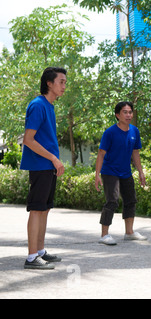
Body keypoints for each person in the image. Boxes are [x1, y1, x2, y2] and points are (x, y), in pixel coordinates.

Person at [20, 67, 67, 269]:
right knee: (37, 210)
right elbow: (28, 140)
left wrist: (53, 161)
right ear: (49, 83)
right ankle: (31, 258)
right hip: (40, 165)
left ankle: (39, 251)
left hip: (48, 165)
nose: (64, 86)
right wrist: (54, 159)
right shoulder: (38, 105)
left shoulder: (49, 106)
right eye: (61, 81)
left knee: (45, 209)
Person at [95, 101, 147, 245]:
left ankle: (129, 232)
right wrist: (97, 175)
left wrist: (141, 172)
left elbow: (135, 152)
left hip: (126, 172)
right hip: (110, 171)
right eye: (125, 112)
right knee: (112, 201)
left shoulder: (134, 131)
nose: (128, 115)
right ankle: (104, 235)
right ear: (117, 115)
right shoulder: (110, 132)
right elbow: (101, 153)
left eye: (130, 112)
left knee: (131, 200)